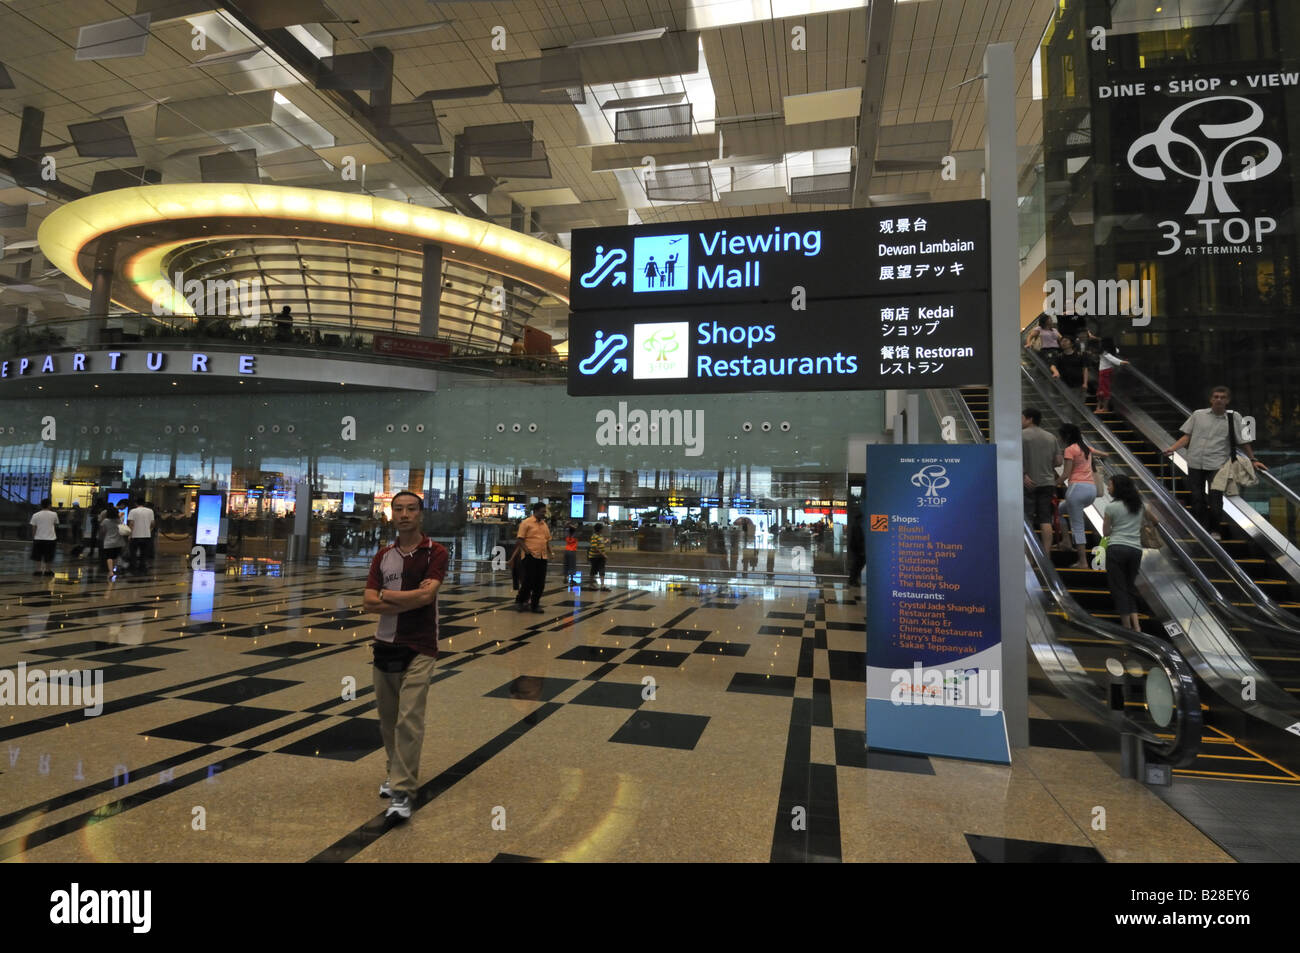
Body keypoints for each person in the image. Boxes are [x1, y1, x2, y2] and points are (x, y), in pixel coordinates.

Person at [361, 490, 448, 822]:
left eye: (411, 509)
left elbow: (428, 598)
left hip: (421, 646)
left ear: (421, 514)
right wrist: (408, 597)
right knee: (388, 721)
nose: (405, 514)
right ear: (391, 514)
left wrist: (387, 595)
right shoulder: (382, 557)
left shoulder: (435, 553)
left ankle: (401, 792)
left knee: (409, 720)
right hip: (384, 644)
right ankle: (393, 769)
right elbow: (368, 603)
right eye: (399, 509)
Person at [1162, 385, 1268, 539]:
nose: (1219, 400)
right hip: (1195, 462)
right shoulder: (1198, 415)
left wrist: (1253, 460)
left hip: (1218, 464)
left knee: (1215, 498)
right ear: (1211, 399)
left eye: (1222, 397)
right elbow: (1187, 436)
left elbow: (1244, 441)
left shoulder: (1235, 417)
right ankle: (1202, 528)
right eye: (1216, 397)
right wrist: (1173, 448)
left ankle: (1215, 530)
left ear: (1228, 400)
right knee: (1197, 498)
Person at [1058, 423, 1109, 568]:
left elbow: (1066, 474)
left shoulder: (1070, 450)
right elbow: (1105, 454)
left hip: (1077, 489)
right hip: (1091, 490)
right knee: (1059, 510)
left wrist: (1054, 483)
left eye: (1061, 435)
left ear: (1066, 436)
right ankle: (1066, 541)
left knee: (1078, 526)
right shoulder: (1086, 448)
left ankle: (1083, 561)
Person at [1102, 474, 1148, 632]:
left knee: (1119, 588)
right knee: (1130, 587)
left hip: (1117, 549)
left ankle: (1127, 628)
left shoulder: (1111, 507)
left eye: (1110, 485)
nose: (1108, 488)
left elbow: (1106, 532)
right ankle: (1137, 626)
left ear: (1118, 488)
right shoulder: (1139, 506)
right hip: (1135, 550)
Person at [1022, 408, 1063, 554]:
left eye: (1022, 418)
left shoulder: (1021, 436)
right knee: (1046, 520)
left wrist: (1023, 473)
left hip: (1028, 483)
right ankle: (1046, 556)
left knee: (1028, 521)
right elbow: (1059, 461)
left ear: (1030, 419)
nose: (1021, 421)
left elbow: (1013, 458)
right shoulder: (1051, 437)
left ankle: (1028, 555)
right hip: (1047, 483)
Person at [512, 502, 551, 613]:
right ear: (536, 511)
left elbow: (547, 540)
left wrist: (550, 552)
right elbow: (520, 539)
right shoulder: (526, 523)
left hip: (542, 557)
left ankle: (535, 604)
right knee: (528, 581)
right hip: (530, 557)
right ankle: (520, 601)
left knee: (540, 582)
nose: (544, 514)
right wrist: (527, 552)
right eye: (542, 511)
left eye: (545, 511)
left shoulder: (544, 524)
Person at [1095, 338, 1128, 414]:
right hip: (1108, 371)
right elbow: (1116, 351)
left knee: (1104, 390)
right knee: (1102, 389)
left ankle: (1105, 407)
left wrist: (1121, 362)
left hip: (1104, 371)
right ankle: (1100, 407)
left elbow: (1111, 358)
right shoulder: (1113, 350)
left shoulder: (1104, 352)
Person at [29, 498, 59, 576]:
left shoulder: (35, 515)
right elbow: (55, 525)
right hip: (51, 539)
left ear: (41, 505)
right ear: (49, 505)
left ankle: (38, 570)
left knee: (38, 555)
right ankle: (47, 570)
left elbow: (34, 528)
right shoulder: (54, 514)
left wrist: (33, 537)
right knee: (49, 555)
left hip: (38, 538)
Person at [127, 497, 156, 574]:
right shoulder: (150, 511)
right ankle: (142, 567)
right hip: (146, 535)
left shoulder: (133, 511)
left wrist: (130, 534)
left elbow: (131, 524)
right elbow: (153, 523)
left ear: (136, 503)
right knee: (144, 553)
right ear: (144, 503)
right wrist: (149, 530)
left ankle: (133, 567)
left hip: (135, 535)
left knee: (133, 552)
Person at [99, 506, 124, 577]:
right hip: (118, 541)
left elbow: (102, 530)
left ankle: (110, 571)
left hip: (108, 541)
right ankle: (113, 569)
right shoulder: (119, 520)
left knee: (109, 557)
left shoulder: (105, 521)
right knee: (115, 557)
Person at [586, 522, 610, 591]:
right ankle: (591, 584)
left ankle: (602, 585)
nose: (602, 530)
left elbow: (601, 544)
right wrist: (603, 554)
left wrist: (606, 541)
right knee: (594, 570)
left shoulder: (600, 536)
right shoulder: (594, 536)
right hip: (594, 557)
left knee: (602, 569)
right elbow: (595, 547)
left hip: (601, 557)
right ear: (599, 529)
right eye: (602, 529)